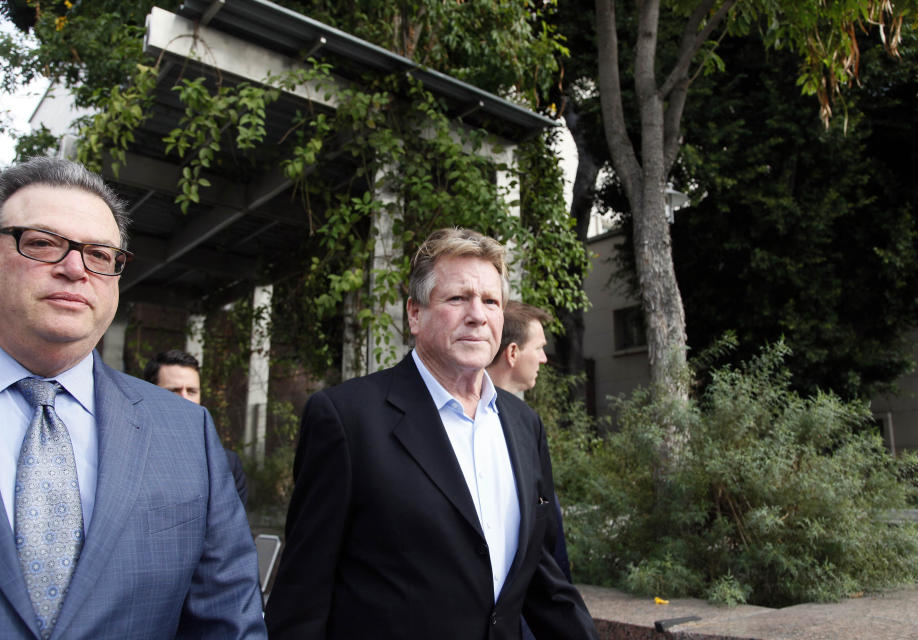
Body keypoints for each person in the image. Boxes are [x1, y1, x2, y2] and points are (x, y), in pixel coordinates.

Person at [266, 228, 597, 639]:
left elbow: (543, 577)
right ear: (415, 314)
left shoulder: (523, 425)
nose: (477, 314)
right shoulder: (346, 419)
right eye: (457, 298)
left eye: (491, 301)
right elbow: (302, 593)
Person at [0, 157, 265, 639]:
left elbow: (229, 622)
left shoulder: (187, 433)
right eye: (42, 243)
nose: (75, 268)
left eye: (100, 255)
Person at [487, 301, 573, 640]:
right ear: (511, 352)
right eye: (538, 348)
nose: (544, 358)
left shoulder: (527, 425)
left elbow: (546, 531)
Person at [143, 349, 248, 506]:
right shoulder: (130, 456)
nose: (185, 399)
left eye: (191, 391)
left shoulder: (226, 464)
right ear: (149, 393)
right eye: (174, 391)